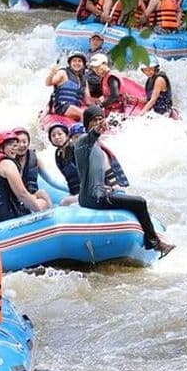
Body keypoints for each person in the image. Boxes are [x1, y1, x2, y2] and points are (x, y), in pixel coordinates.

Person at [74, 106, 176, 257]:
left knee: (131, 200)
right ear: (87, 124)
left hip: (99, 193)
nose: (98, 123)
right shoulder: (83, 141)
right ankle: (154, 243)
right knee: (139, 202)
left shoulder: (97, 146)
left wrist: (109, 187)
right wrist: (98, 127)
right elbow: (92, 134)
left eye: (100, 119)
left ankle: (151, 239)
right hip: (92, 197)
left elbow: (97, 173)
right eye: (94, 120)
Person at [46, 51, 89, 121]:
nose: (77, 63)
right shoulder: (63, 73)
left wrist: (101, 101)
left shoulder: (84, 80)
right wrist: (51, 74)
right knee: (84, 114)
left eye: (79, 61)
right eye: (74, 61)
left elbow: (88, 100)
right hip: (62, 106)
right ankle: (86, 131)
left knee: (91, 113)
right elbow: (48, 83)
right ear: (70, 63)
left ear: (83, 64)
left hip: (75, 107)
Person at [47, 123, 80, 205]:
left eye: (60, 134)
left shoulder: (74, 148)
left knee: (64, 203)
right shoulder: (58, 154)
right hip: (75, 191)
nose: (56, 137)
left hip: (87, 190)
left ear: (66, 135)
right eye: (53, 135)